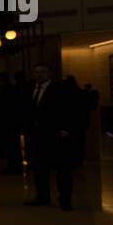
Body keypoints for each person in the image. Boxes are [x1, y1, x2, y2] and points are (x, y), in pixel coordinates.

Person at [25, 63, 82, 211]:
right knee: (39, 168)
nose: (39, 75)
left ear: (50, 73)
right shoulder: (30, 89)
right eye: (36, 72)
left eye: (42, 72)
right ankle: (42, 197)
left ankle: (65, 200)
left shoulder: (60, 89)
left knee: (62, 169)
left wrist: (66, 129)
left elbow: (71, 109)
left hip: (56, 135)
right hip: (37, 136)